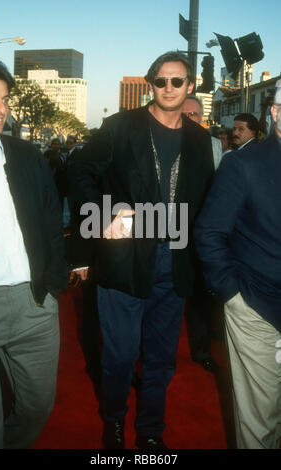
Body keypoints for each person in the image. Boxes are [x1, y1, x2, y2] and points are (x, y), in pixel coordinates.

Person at [69, 51, 214, 449]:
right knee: (118, 356)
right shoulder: (120, 127)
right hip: (124, 260)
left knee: (162, 360)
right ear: (150, 84)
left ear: (190, 87)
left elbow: (204, 200)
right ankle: (114, 422)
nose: (169, 88)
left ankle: (151, 432)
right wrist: (103, 215)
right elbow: (78, 171)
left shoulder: (202, 140)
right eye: (161, 81)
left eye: (177, 81)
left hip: (176, 260)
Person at [194, 84, 281, 449]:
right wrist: (233, 296)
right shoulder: (243, 164)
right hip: (257, 306)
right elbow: (209, 232)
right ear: (275, 114)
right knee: (260, 421)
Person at [0, 58, 68, 449]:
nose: (0, 108)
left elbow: (53, 219)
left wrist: (52, 283)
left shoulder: (26, 156)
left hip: (33, 303)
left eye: (4, 99)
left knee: (38, 407)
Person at [181, 94, 221, 372]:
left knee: (199, 294)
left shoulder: (215, 145)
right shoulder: (158, 141)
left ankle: (201, 349)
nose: (188, 119)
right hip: (164, 227)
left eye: (193, 114)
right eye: (184, 114)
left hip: (199, 230)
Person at [181, 95, 222, 169]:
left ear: (201, 117)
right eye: (182, 114)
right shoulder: (166, 142)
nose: (187, 117)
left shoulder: (215, 144)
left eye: (192, 114)